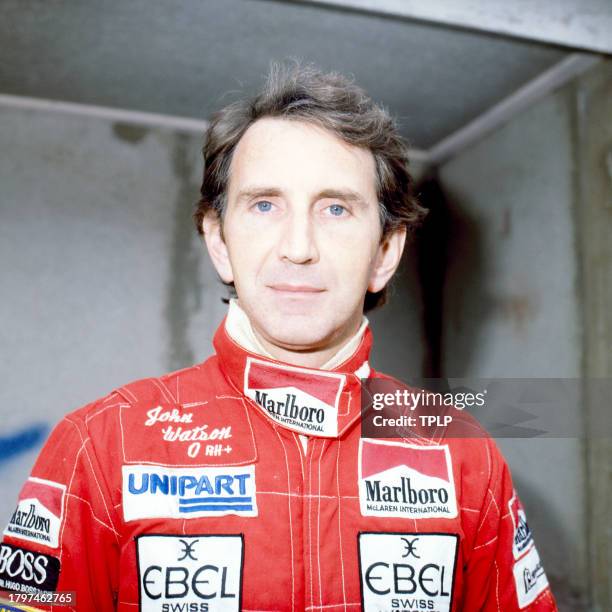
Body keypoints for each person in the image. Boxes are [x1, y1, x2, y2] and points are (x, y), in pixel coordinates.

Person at [0, 61, 557, 611]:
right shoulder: (99, 445)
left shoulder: (461, 452)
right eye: (265, 204)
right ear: (219, 243)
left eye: (335, 208)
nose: (298, 246)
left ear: (385, 252)